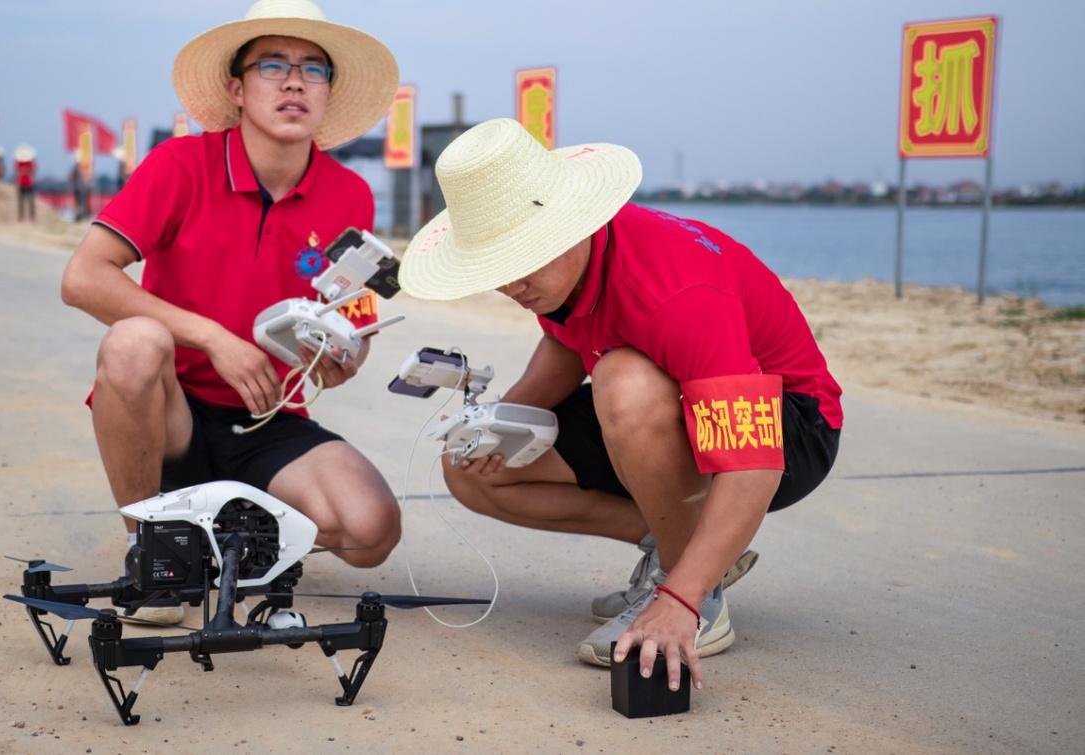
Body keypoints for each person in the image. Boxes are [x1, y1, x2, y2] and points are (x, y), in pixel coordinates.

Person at [398, 118, 842, 692]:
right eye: (495, 266)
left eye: (519, 260)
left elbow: (754, 459)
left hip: (791, 427)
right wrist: (499, 423)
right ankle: (692, 553)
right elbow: (568, 337)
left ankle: (695, 596)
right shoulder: (559, 266)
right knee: (472, 466)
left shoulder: (677, 291)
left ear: (569, 224)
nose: (510, 283)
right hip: (678, 414)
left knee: (623, 377)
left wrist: (680, 597)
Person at [60, 0, 401, 622]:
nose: (294, 80)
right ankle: (157, 556)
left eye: (313, 69)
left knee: (370, 530)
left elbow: (351, 314)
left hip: (267, 416)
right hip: (172, 414)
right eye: (273, 64)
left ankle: (232, 535)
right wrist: (214, 337)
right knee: (134, 342)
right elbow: (83, 279)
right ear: (236, 88)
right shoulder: (179, 164)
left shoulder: (349, 192)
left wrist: (343, 352)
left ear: (327, 92)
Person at [13, 144, 37, 222]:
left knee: (31, 201)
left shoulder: (31, 162)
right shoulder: (18, 163)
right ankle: (21, 217)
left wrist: (25, 172)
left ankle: (32, 217)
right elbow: (17, 172)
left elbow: (33, 170)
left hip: (29, 184)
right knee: (20, 202)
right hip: (21, 184)